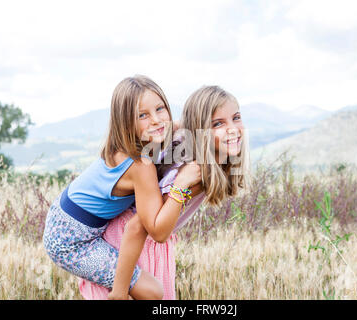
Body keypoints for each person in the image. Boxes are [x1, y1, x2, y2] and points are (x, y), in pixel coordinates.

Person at [79, 85, 250, 300]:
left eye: (236, 118)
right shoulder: (191, 172)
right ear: (200, 130)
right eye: (218, 123)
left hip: (146, 244)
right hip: (132, 247)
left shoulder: (201, 158)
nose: (232, 128)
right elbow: (137, 225)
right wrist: (120, 291)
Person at [42, 75, 201, 300]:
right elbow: (155, 228)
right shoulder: (140, 165)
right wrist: (182, 184)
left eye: (160, 109)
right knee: (153, 292)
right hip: (70, 242)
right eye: (142, 115)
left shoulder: (135, 142)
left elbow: (175, 124)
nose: (156, 120)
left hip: (62, 215)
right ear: (125, 122)